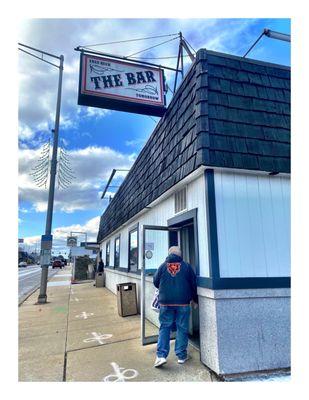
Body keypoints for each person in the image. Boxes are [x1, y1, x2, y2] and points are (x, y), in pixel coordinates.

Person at [153, 246, 198, 368]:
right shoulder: (187, 267)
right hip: (183, 303)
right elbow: (193, 284)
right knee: (182, 328)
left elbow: (156, 282)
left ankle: (161, 356)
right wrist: (195, 299)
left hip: (165, 303)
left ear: (169, 254)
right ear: (180, 255)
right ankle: (181, 356)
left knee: (165, 328)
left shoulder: (162, 266)